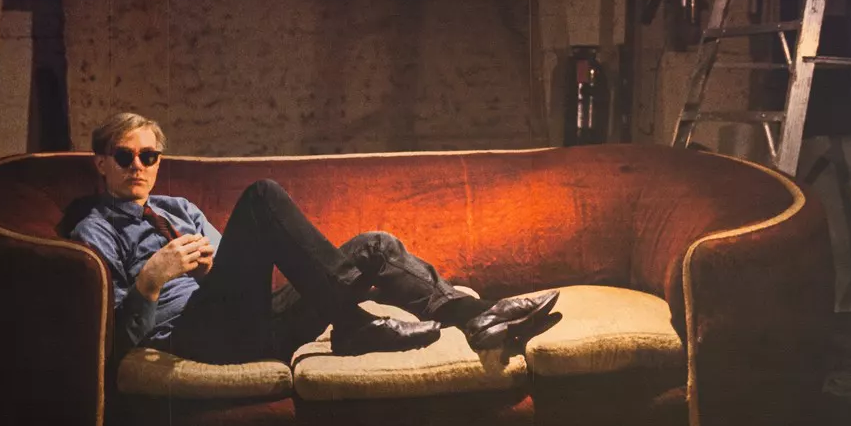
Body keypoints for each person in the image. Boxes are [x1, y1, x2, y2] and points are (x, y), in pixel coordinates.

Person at [67, 113, 559, 363]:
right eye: (124, 155)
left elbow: (235, 273)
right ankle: (352, 323)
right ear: (101, 162)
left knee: (375, 246)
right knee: (261, 196)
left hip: (250, 320)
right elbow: (109, 340)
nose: (138, 166)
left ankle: (480, 316)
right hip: (194, 336)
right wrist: (152, 280)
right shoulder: (95, 228)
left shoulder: (181, 210)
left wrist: (213, 266)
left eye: (148, 156)